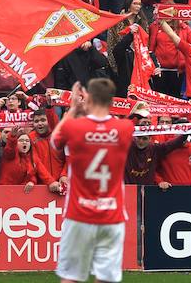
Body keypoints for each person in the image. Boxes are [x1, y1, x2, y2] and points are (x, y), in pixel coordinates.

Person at [50, 78, 134, 283]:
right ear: (111, 101)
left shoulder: (74, 128)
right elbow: (105, 124)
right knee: (105, 278)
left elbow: (54, 142)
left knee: (71, 277)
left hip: (79, 213)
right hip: (111, 214)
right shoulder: (124, 128)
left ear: (89, 99)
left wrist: (73, 109)